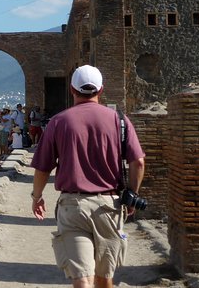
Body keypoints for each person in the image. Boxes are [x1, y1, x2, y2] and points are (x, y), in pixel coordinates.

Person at [31, 65, 146, 288]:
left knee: (81, 278)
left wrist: (37, 196)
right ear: (101, 90)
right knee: (104, 278)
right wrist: (132, 193)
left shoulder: (58, 122)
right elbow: (138, 162)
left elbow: (42, 168)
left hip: (72, 206)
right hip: (109, 205)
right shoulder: (119, 121)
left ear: (72, 89)